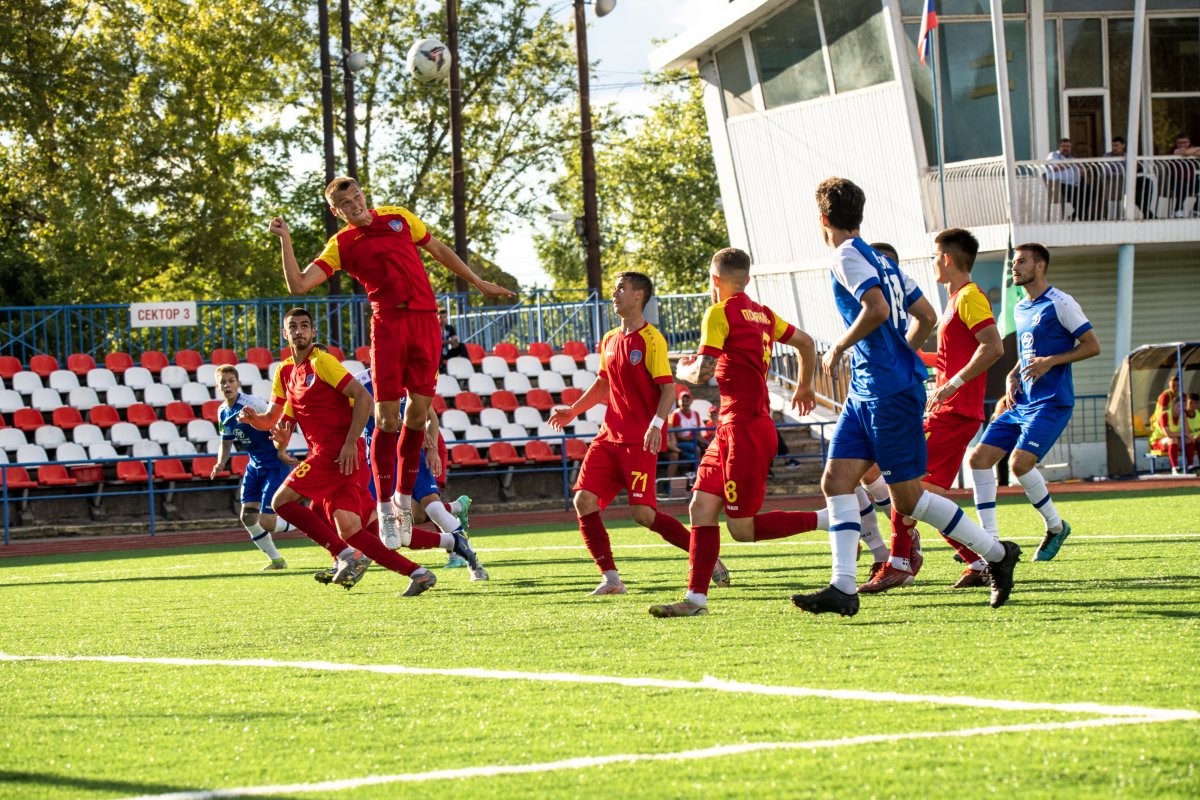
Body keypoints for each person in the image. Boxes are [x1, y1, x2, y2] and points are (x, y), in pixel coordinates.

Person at [791, 177, 1021, 617]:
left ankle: (996, 554)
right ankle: (842, 586)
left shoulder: (844, 254)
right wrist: (900, 352)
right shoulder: (880, 258)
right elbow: (927, 316)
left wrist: (841, 345)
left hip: (886, 391)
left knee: (909, 499)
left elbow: (876, 309)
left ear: (822, 219)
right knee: (836, 481)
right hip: (869, 389)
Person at [268, 177, 515, 552]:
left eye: (357, 197)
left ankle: (401, 499)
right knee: (387, 419)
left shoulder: (399, 218)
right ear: (337, 213)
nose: (355, 205)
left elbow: (439, 250)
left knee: (417, 415)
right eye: (345, 204)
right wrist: (286, 240)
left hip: (425, 321)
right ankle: (386, 506)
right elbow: (299, 285)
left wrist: (478, 282)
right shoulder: (341, 245)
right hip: (387, 326)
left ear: (364, 195)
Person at [240, 307, 479, 596]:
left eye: (305, 326)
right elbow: (276, 422)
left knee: (282, 502)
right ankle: (426, 566)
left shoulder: (322, 361)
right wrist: (260, 425)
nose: (299, 331)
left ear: (313, 332)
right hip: (339, 460)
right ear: (285, 333)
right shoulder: (286, 372)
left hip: (337, 454)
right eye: (294, 326)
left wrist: (352, 442)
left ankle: (345, 557)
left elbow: (363, 397)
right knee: (360, 530)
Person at [648, 247, 821, 618]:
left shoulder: (719, 311)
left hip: (744, 429)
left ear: (714, 280)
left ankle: (829, 520)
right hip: (733, 427)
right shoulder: (761, 313)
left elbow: (704, 374)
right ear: (747, 277)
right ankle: (696, 600)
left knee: (741, 529)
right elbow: (806, 343)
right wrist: (803, 387)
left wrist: (682, 370)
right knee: (700, 508)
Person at [549, 272, 723, 596]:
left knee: (642, 514)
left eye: (621, 288)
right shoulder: (610, 338)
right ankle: (611, 579)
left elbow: (667, 391)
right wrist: (573, 410)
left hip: (640, 439)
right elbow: (603, 384)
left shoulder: (652, 339)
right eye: (614, 289)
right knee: (583, 500)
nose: (614, 294)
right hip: (608, 436)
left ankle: (706, 557)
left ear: (639, 295)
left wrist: (656, 425)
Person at [857, 228, 1004, 593]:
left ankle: (901, 563)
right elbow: (951, 358)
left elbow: (993, 347)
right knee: (926, 498)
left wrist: (952, 384)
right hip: (953, 410)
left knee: (905, 486)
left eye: (936, 255)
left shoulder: (969, 297)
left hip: (955, 411)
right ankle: (979, 562)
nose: (933, 261)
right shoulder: (956, 301)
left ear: (949, 258)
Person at [968, 243, 1101, 562]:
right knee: (978, 459)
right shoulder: (1020, 307)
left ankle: (1056, 527)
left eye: (1021, 262)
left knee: (1019, 464)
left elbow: (1092, 346)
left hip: (1051, 402)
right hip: (1021, 402)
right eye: (1014, 263)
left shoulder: (1061, 303)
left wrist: (1051, 362)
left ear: (1040, 266)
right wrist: (1012, 374)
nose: (1015, 268)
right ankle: (990, 541)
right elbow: (1028, 354)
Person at [353, 368, 486, 579]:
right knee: (399, 521)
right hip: (382, 462)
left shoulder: (409, 378)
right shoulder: (360, 383)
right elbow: (374, 416)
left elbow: (431, 416)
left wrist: (432, 449)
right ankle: (351, 559)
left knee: (434, 509)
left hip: (412, 455)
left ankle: (474, 564)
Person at [209, 365, 296, 571]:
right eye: (223, 382)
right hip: (254, 465)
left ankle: (308, 523)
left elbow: (280, 421)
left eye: (231, 381)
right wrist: (221, 461)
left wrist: (282, 449)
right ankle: (276, 560)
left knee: (267, 522)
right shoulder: (222, 411)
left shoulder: (253, 403)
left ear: (238, 383)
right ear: (218, 387)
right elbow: (226, 440)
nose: (227, 385)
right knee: (247, 516)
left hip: (274, 463)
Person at [663, 390, 707, 492]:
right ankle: (699, 481)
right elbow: (677, 436)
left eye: (687, 400)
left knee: (708, 449)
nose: (685, 403)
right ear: (679, 402)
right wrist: (694, 439)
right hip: (683, 443)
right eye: (683, 400)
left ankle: (699, 480)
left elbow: (699, 434)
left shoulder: (695, 414)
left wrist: (703, 441)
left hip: (692, 441)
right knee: (696, 450)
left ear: (690, 401)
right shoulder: (676, 414)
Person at [1046, 138, 1083, 221]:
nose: (1066, 148)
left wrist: (1082, 169)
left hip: (1075, 184)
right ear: (1059, 147)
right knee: (1078, 196)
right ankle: (1082, 217)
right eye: (1064, 146)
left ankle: (1075, 215)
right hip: (1059, 184)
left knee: (1092, 190)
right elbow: (1057, 167)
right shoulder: (1054, 155)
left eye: (1068, 146)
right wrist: (1071, 163)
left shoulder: (1072, 159)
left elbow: (1081, 172)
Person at [1169, 134, 1200, 218]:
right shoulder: (1173, 150)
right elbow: (1182, 152)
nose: (1182, 145)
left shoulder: (1192, 149)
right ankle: (1178, 210)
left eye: (1185, 142)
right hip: (1175, 180)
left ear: (1189, 142)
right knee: (1183, 185)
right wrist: (1195, 150)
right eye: (1180, 142)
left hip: (1191, 179)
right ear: (1176, 143)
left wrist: (1191, 151)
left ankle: (1196, 210)